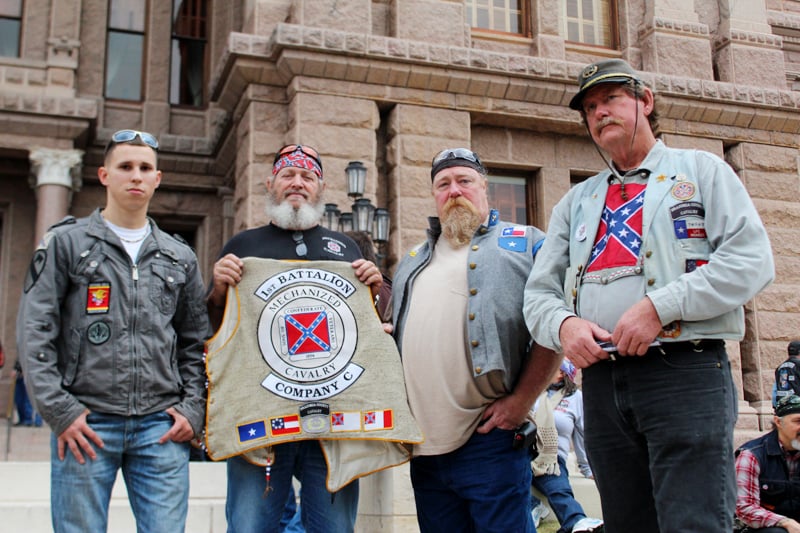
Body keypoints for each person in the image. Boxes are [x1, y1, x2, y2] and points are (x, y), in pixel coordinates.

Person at [523, 58, 775, 532]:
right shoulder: (576, 201)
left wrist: (660, 307)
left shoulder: (701, 171)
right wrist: (565, 325)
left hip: (685, 370)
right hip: (600, 384)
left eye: (612, 99)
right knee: (626, 523)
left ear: (645, 101)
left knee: (693, 521)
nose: (600, 113)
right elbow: (538, 293)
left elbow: (751, 261)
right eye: (590, 108)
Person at [15, 129, 210, 532]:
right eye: (126, 167)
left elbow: (194, 341)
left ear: (157, 179)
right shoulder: (66, 244)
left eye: (145, 168)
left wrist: (194, 408)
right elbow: (36, 330)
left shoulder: (180, 256)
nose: (135, 176)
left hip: (161, 426)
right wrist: (60, 411)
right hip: (86, 423)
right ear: (105, 175)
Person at [207, 143, 384, 533]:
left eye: (307, 177)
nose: (297, 183)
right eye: (288, 175)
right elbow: (215, 332)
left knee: (335, 528)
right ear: (270, 183)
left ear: (320, 189)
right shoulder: (242, 247)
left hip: (332, 419)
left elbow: (368, 330)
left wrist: (374, 289)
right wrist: (218, 290)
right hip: (259, 417)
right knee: (250, 526)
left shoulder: (346, 250)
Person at [391, 147, 561, 532]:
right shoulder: (413, 260)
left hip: (490, 440)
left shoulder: (527, 243)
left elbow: (554, 326)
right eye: (443, 184)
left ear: (485, 188)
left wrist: (520, 402)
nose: (454, 191)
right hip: (425, 450)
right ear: (434, 195)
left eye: (464, 181)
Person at [529, 358, 603, 533]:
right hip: (524, 452)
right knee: (509, 481)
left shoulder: (576, 398)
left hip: (552, 459)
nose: (558, 373)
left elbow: (582, 435)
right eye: (555, 369)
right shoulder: (531, 392)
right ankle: (533, 505)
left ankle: (576, 522)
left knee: (558, 489)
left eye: (562, 370)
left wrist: (586, 468)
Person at [735, 394, 800, 533]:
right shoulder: (752, 455)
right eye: (798, 421)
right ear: (778, 422)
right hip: (765, 528)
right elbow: (745, 508)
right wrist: (785, 522)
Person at [13, 359, 42, 427]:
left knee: (30, 399)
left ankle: (33, 420)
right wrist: (16, 369)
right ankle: (23, 419)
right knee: (19, 399)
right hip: (20, 375)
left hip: (32, 374)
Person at [774, 341, 800, 408]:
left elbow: (774, 390)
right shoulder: (798, 365)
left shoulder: (779, 368)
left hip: (782, 405)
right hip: (796, 404)